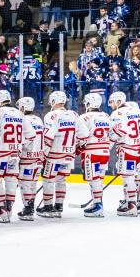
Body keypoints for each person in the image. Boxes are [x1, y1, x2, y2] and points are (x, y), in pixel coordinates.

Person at [0, 90, 35, 223]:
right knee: (11, 179)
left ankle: (1, 209)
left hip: (0, 153)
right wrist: (19, 144)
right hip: (15, 153)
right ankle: (9, 210)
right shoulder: (19, 113)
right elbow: (31, 135)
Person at [38, 91, 89, 219]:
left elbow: (48, 137)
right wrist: (77, 147)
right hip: (68, 155)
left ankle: (48, 207)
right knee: (61, 180)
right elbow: (84, 134)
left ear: (54, 101)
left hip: (54, 155)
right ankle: (59, 206)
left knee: (48, 180)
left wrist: (43, 154)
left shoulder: (51, 115)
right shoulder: (74, 114)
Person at [108, 92, 140, 217]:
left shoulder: (117, 113)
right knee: (136, 177)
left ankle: (131, 204)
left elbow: (120, 130)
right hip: (138, 149)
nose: (111, 104)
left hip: (126, 149)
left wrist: (107, 145)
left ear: (118, 101)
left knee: (128, 177)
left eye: (112, 101)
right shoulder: (136, 111)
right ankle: (139, 203)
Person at [79, 93, 112, 218]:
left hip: (91, 152)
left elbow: (82, 136)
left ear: (88, 104)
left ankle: (98, 206)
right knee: (99, 179)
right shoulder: (106, 116)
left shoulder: (84, 117)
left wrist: (78, 147)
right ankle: (98, 203)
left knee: (94, 180)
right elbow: (113, 133)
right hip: (105, 152)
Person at [15, 97, 44, 221]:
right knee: (32, 184)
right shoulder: (38, 119)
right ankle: (30, 206)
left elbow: (24, 139)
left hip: (27, 157)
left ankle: (28, 209)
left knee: (25, 184)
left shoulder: (23, 120)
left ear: (22, 107)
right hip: (38, 157)